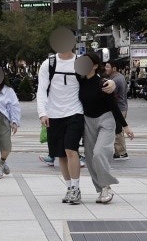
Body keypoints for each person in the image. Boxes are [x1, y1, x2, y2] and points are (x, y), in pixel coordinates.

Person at [37, 33, 110, 205]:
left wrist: (110, 83)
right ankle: (69, 187)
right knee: (61, 155)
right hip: (54, 114)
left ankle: (76, 189)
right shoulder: (49, 64)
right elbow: (41, 90)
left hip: (75, 112)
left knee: (71, 150)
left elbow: (95, 79)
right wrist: (42, 113)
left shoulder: (80, 62)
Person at [78, 52, 134, 204]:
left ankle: (106, 187)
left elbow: (113, 106)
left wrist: (126, 126)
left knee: (98, 154)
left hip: (106, 121)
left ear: (95, 66)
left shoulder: (103, 83)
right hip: (88, 121)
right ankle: (101, 189)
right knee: (90, 159)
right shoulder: (79, 81)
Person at [105, 60, 130, 160]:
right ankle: (120, 152)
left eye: (107, 66)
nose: (105, 68)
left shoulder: (116, 80)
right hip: (122, 108)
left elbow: (109, 94)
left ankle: (121, 153)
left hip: (119, 109)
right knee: (118, 130)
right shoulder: (118, 77)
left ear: (114, 68)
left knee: (118, 131)